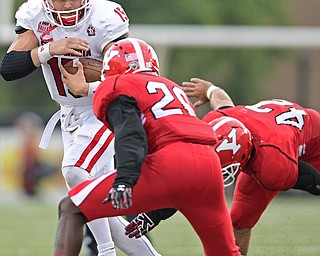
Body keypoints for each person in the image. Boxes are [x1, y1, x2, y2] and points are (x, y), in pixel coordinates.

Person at [52, 38, 241, 256]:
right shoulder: (172, 88)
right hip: (208, 165)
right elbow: (183, 183)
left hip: (168, 161)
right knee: (225, 252)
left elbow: (130, 132)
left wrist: (124, 180)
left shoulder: (117, 85)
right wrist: (153, 215)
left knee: (72, 209)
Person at [0, 1, 160, 255]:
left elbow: (127, 79)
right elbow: (8, 68)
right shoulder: (35, 14)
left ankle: (105, 252)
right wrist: (49, 49)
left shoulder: (104, 17)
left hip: (104, 106)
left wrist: (88, 87)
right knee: (107, 210)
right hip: (68, 113)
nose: (65, 5)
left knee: (75, 170)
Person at [125, 77, 320, 255]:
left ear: (241, 158)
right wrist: (209, 89)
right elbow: (221, 101)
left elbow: (311, 180)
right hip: (266, 142)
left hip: (312, 142)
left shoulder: (274, 167)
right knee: (238, 222)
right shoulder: (215, 121)